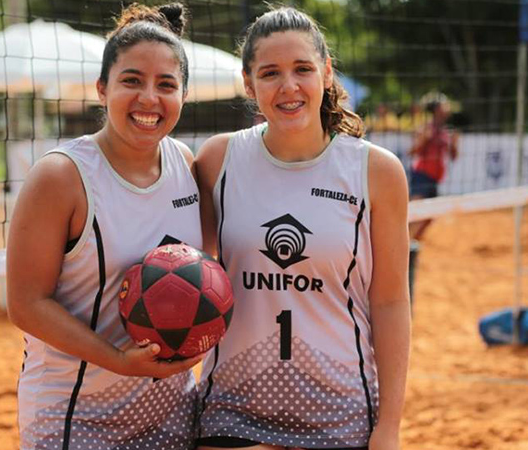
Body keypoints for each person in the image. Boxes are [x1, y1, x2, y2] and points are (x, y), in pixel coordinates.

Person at [194, 7, 410, 450]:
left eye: (303, 69)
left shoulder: (375, 170)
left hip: (340, 410)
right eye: (270, 73)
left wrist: (389, 426)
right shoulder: (218, 161)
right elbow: (181, 269)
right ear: (249, 84)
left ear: (327, 74)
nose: (289, 86)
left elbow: (389, 301)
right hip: (233, 409)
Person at [6, 4, 203, 450]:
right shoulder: (61, 176)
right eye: (131, 81)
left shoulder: (186, 164)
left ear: (184, 97)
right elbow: (26, 303)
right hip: (77, 416)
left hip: (170, 408)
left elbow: (199, 276)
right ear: (102, 88)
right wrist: (117, 359)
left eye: (166, 85)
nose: (149, 99)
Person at [408, 98, 458, 240]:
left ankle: (412, 247)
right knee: (415, 214)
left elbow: (454, 156)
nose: (448, 108)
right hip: (421, 176)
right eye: (445, 105)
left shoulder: (446, 132)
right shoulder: (425, 128)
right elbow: (411, 152)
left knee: (429, 217)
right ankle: (405, 248)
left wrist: (454, 144)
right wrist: (424, 139)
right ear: (437, 110)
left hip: (434, 178)